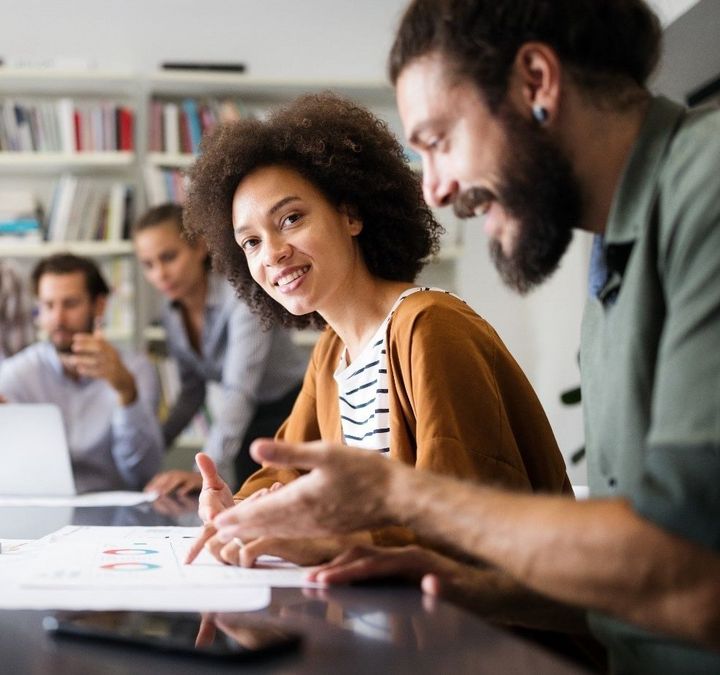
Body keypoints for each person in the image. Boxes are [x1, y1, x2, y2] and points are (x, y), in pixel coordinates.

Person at [202, 0, 720, 672]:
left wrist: (389, 503)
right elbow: (638, 587)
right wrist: (453, 581)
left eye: (439, 140)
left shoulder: (703, 194)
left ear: (536, 82)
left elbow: (690, 573)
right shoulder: (612, 269)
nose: (437, 190)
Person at [182, 93, 573, 574]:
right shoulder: (333, 353)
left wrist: (327, 539)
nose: (273, 253)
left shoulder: (430, 327)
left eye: (291, 219)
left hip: (499, 637)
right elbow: (286, 471)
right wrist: (239, 511)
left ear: (351, 215)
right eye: (251, 241)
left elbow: (468, 518)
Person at [133, 203, 307, 494]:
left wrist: (203, 473)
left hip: (289, 413)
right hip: (246, 417)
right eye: (149, 265)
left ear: (199, 247)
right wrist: (152, 449)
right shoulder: (171, 314)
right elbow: (191, 393)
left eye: (169, 257)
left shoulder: (243, 296)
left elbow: (239, 390)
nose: (160, 274)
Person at [0, 253, 162, 492]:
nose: (58, 318)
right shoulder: (16, 375)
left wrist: (126, 391)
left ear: (99, 305)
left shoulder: (135, 370)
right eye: (48, 305)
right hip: (44, 511)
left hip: (115, 516)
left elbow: (142, 474)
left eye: (70, 303)